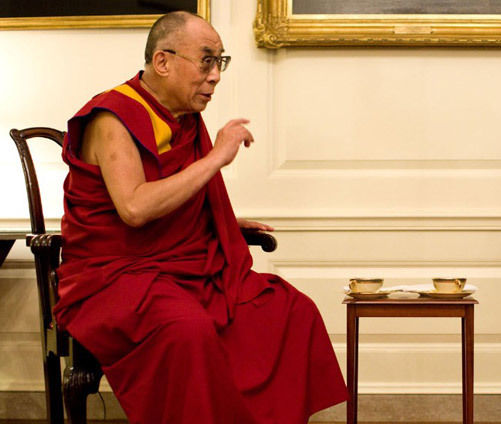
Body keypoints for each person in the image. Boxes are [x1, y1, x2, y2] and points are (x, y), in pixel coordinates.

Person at [53, 11, 348, 423]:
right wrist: (216, 159)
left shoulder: (182, 118)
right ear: (163, 61)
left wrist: (220, 217)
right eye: (206, 61)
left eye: (220, 62)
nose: (215, 77)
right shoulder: (113, 117)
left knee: (289, 309)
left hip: (180, 268)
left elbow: (172, 196)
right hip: (113, 279)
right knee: (185, 328)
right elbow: (135, 208)